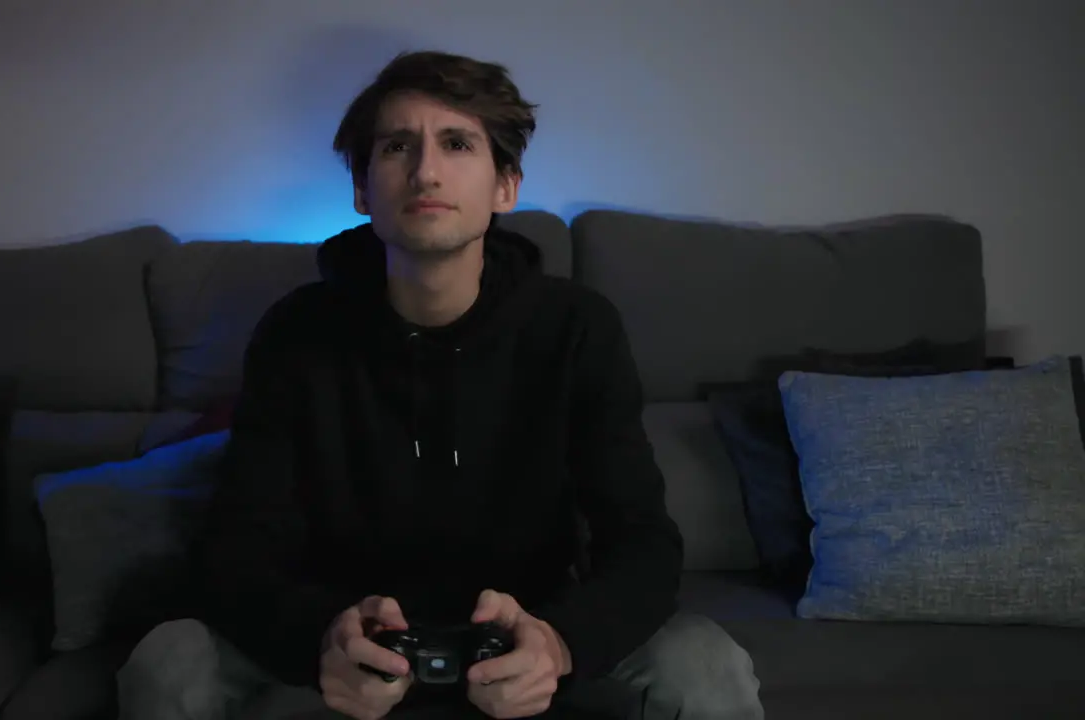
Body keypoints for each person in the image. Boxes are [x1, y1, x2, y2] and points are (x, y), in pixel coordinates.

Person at [117, 50, 763, 720]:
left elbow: (643, 542)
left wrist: (560, 643)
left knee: (706, 666)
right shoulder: (296, 333)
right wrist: (319, 637)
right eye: (398, 146)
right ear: (364, 190)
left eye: (457, 144)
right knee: (171, 661)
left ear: (505, 186)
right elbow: (236, 546)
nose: (426, 171)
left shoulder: (576, 328)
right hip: (354, 637)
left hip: (521, 629)